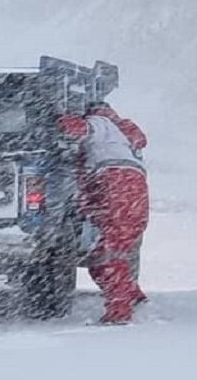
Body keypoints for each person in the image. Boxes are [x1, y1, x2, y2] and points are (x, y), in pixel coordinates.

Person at [57, 101, 149, 324]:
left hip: (113, 182)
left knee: (107, 253)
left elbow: (75, 130)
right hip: (136, 186)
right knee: (126, 245)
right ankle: (131, 293)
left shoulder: (99, 123)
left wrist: (60, 117)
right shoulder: (122, 127)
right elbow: (141, 140)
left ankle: (119, 311)